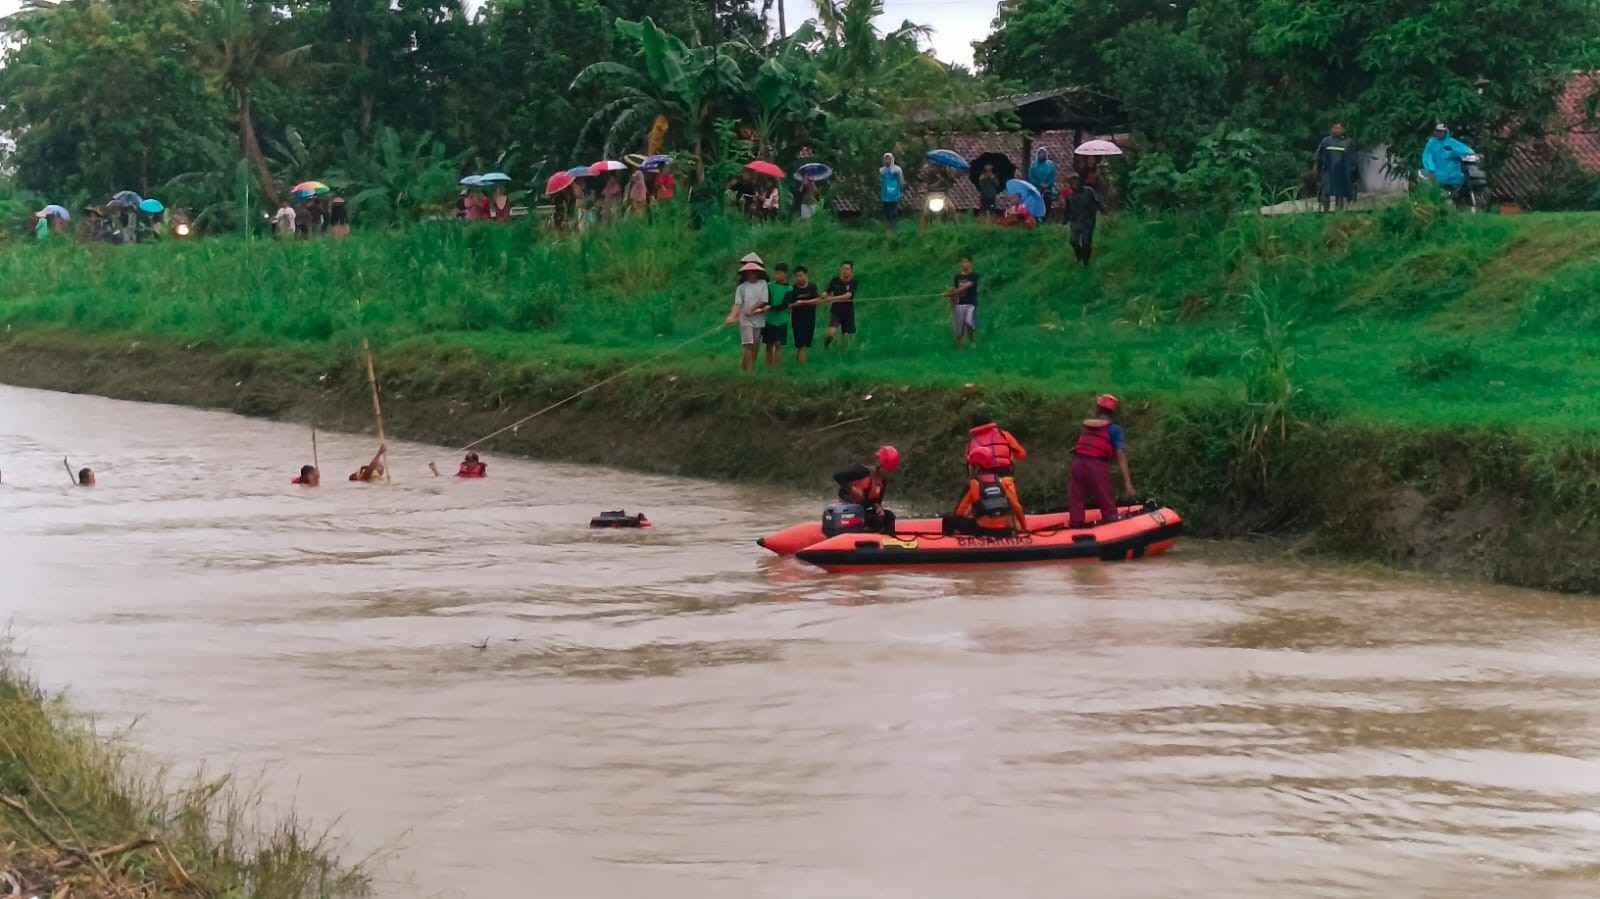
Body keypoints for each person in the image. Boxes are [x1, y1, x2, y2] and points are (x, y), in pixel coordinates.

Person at [1068, 394, 1135, 528]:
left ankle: (1076, 525)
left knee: (1076, 498)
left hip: (1077, 464)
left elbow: (1083, 445)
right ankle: (1112, 524)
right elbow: (1121, 456)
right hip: (1096, 466)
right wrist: (1128, 483)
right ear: (1113, 412)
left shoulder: (1087, 426)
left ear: (1097, 409)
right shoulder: (1114, 429)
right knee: (1105, 498)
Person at [832, 445, 899, 532]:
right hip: (848, 512)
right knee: (876, 520)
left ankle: (887, 538)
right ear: (879, 464)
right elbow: (838, 476)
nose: (888, 473)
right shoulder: (861, 471)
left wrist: (878, 507)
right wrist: (852, 489)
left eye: (890, 471)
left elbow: (876, 502)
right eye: (887, 470)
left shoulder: (883, 481)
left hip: (863, 512)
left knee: (889, 516)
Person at [723, 260, 769, 372]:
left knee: (755, 345)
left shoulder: (763, 284)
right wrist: (731, 316)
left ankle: (744, 369)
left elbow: (763, 300)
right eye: (749, 272)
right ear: (745, 274)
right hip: (745, 320)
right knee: (749, 345)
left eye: (753, 272)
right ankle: (749, 372)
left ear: (758, 273)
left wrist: (752, 310)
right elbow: (737, 304)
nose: (751, 274)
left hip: (759, 319)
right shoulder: (741, 288)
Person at [951, 469, 1027, 534]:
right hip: (1005, 529)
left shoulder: (974, 484)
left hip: (984, 529)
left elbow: (960, 512)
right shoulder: (1005, 482)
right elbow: (1017, 507)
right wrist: (1024, 528)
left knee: (950, 521)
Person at [1422, 123, 1474, 200]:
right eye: (1438, 131)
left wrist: (1459, 152)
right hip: (1437, 173)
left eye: (1442, 131)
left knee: (1462, 182)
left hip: (1454, 173)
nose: (1440, 133)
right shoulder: (1431, 143)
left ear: (1445, 132)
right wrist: (1431, 168)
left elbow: (1465, 150)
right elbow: (1427, 156)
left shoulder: (1451, 142)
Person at [965, 412, 1026, 476]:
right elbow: (1022, 454)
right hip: (1005, 474)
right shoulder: (1003, 434)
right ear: (990, 421)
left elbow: (969, 464)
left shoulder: (971, 442)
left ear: (974, 425)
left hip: (983, 476)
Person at [1066, 172, 1105, 267]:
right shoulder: (1070, 196)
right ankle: (1079, 256)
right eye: (1072, 182)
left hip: (1088, 220)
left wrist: (1103, 210)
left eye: (1076, 181)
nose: (1074, 184)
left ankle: (1086, 262)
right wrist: (1065, 220)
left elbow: (1097, 202)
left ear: (1080, 182)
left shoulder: (1089, 191)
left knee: (1086, 242)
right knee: (1073, 241)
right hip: (1075, 221)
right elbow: (1067, 209)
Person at [757, 263, 792, 368]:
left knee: (778, 345)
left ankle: (776, 367)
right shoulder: (769, 286)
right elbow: (766, 300)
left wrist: (770, 307)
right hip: (769, 320)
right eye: (775, 273)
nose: (776, 275)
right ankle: (768, 366)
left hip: (782, 320)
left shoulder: (790, 289)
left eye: (779, 273)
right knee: (769, 344)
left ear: (785, 274)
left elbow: (784, 305)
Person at [1316, 123, 1355, 212]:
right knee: (1325, 192)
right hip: (1327, 171)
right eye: (1334, 128)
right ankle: (1325, 211)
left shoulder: (1348, 142)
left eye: (1338, 128)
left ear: (1343, 130)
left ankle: (1338, 213)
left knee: (1340, 193)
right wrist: (1315, 167)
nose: (1336, 130)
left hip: (1341, 172)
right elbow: (1318, 154)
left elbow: (1352, 158)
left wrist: (1352, 172)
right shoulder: (1326, 141)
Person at [787, 265, 821, 365]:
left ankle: (797, 364)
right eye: (797, 276)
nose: (799, 278)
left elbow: (817, 300)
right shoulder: (793, 289)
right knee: (801, 344)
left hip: (810, 318)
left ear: (806, 275)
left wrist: (804, 302)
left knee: (805, 344)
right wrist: (796, 304)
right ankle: (802, 365)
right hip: (797, 319)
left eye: (801, 275)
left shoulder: (812, 287)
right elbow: (789, 305)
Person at [945, 256, 980, 347]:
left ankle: (972, 341)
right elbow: (956, 289)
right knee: (959, 326)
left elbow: (967, 286)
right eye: (962, 262)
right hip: (960, 303)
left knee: (969, 322)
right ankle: (960, 347)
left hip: (971, 303)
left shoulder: (974, 275)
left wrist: (955, 292)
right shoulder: (957, 276)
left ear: (970, 263)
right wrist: (951, 294)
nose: (964, 264)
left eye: (966, 262)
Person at [822, 261, 857, 350]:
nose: (845, 271)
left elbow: (848, 296)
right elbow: (827, 291)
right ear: (840, 270)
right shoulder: (835, 280)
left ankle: (844, 353)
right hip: (836, 311)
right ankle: (826, 346)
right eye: (843, 269)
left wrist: (832, 298)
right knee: (831, 333)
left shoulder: (853, 282)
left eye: (847, 269)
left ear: (851, 271)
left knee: (846, 336)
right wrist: (824, 294)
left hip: (848, 312)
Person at [1028, 147, 1058, 222]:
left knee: (1047, 198)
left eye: (1043, 153)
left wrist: (1048, 184)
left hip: (1048, 187)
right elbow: (1031, 177)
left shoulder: (1050, 165)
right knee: (1035, 198)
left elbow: (1053, 177)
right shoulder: (1033, 165)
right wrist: (1039, 184)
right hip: (1036, 187)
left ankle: (1045, 217)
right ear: (1037, 155)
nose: (1042, 155)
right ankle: (1035, 217)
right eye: (1040, 153)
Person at [878, 153, 904, 234]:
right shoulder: (881, 170)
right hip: (885, 194)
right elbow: (880, 182)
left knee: (893, 212)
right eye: (885, 159)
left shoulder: (897, 169)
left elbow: (901, 181)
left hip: (894, 194)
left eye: (889, 159)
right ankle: (887, 230)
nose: (887, 160)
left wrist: (901, 191)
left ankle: (893, 229)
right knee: (886, 213)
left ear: (892, 159)